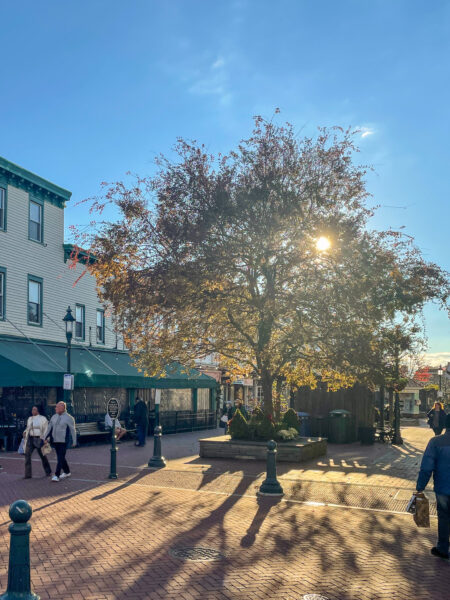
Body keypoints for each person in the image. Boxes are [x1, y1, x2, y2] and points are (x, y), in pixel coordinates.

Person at [416, 413, 450, 559]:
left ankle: (442, 548)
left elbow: (426, 467)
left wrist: (420, 486)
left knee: (443, 516)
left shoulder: (436, 442)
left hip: (443, 487)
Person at [45, 401, 77, 482]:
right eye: (56, 407)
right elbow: (49, 428)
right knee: (61, 457)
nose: (55, 408)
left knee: (60, 458)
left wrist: (74, 441)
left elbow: (73, 430)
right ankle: (67, 472)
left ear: (62, 408)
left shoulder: (69, 418)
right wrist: (45, 437)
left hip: (63, 441)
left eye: (57, 407)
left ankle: (56, 475)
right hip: (55, 440)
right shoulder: (54, 417)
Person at [23, 405, 51, 479]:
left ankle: (48, 471)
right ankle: (28, 475)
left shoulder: (43, 418)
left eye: (34, 409)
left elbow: (46, 429)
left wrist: (45, 439)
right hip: (30, 439)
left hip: (39, 439)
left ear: (38, 410)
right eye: (32, 409)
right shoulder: (29, 418)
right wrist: (25, 432)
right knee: (27, 456)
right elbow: (28, 428)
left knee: (43, 456)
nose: (33, 411)